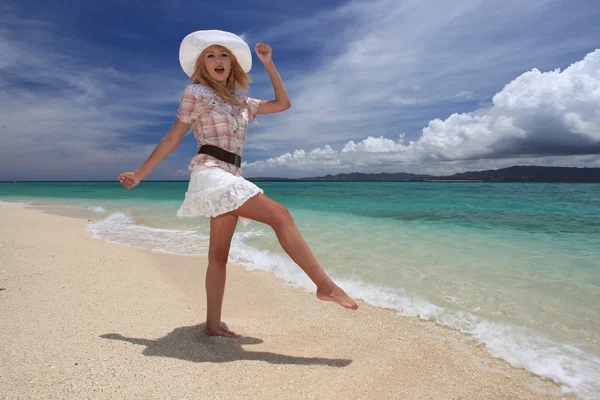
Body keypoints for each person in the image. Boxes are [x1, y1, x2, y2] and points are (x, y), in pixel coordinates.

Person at [118, 30, 358, 338]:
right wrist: (140, 173)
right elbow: (173, 138)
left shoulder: (242, 103)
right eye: (210, 55)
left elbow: (283, 103)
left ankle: (213, 326)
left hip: (232, 175)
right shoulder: (196, 93)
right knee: (280, 214)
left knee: (218, 255)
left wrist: (269, 63)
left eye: (223, 56)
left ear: (232, 65)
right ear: (201, 65)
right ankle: (325, 286)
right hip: (210, 171)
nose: (218, 60)